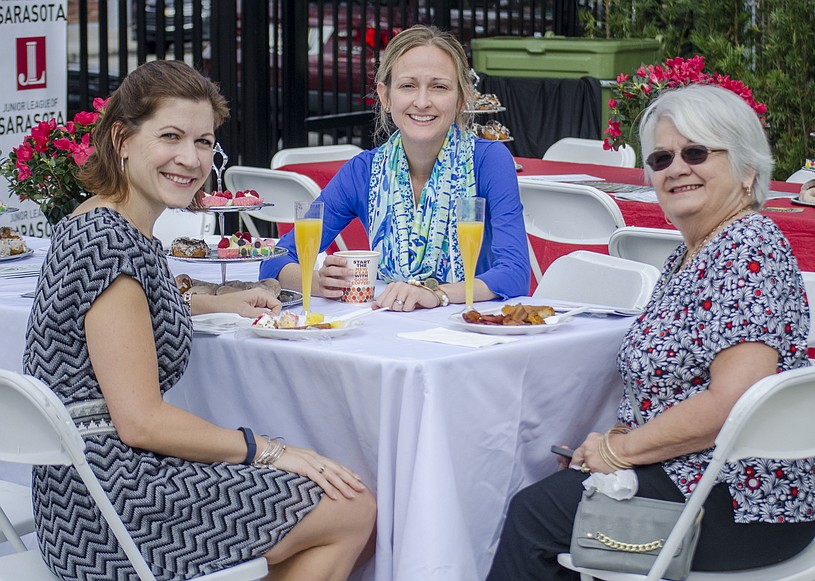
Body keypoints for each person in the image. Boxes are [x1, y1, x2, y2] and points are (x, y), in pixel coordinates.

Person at [24, 60, 376, 581]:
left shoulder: (95, 222)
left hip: (71, 492)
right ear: (122, 138)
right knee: (350, 506)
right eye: (171, 137)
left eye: (204, 142)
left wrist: (215, 302)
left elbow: (124, 313)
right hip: (110, 504)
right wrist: (270, 450)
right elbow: (142, 422)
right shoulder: (111, 245)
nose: (190, 159)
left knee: (330, 502)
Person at [486, 83, 815, 579]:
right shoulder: (693, 252)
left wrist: (617, 451)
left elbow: (731, 401)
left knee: (532, 516)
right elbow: (676, 388)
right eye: (662, 158)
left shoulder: (747, 248)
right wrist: (615, 441)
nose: (676, 168)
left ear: (747, 169)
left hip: (750, 501)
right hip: (702, 475)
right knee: (549, 490)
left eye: (696, 152)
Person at [259, 25, 530, 311]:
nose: (423, 102)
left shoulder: (489, 161)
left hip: (470, 329)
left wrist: (435, 293)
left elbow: (514, 274)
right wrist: (318, 282)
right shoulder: (364, 171)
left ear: (462, 98)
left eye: (439, 86)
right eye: (408, 85)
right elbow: (274, 259)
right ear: (385, 96)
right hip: (387, 324)